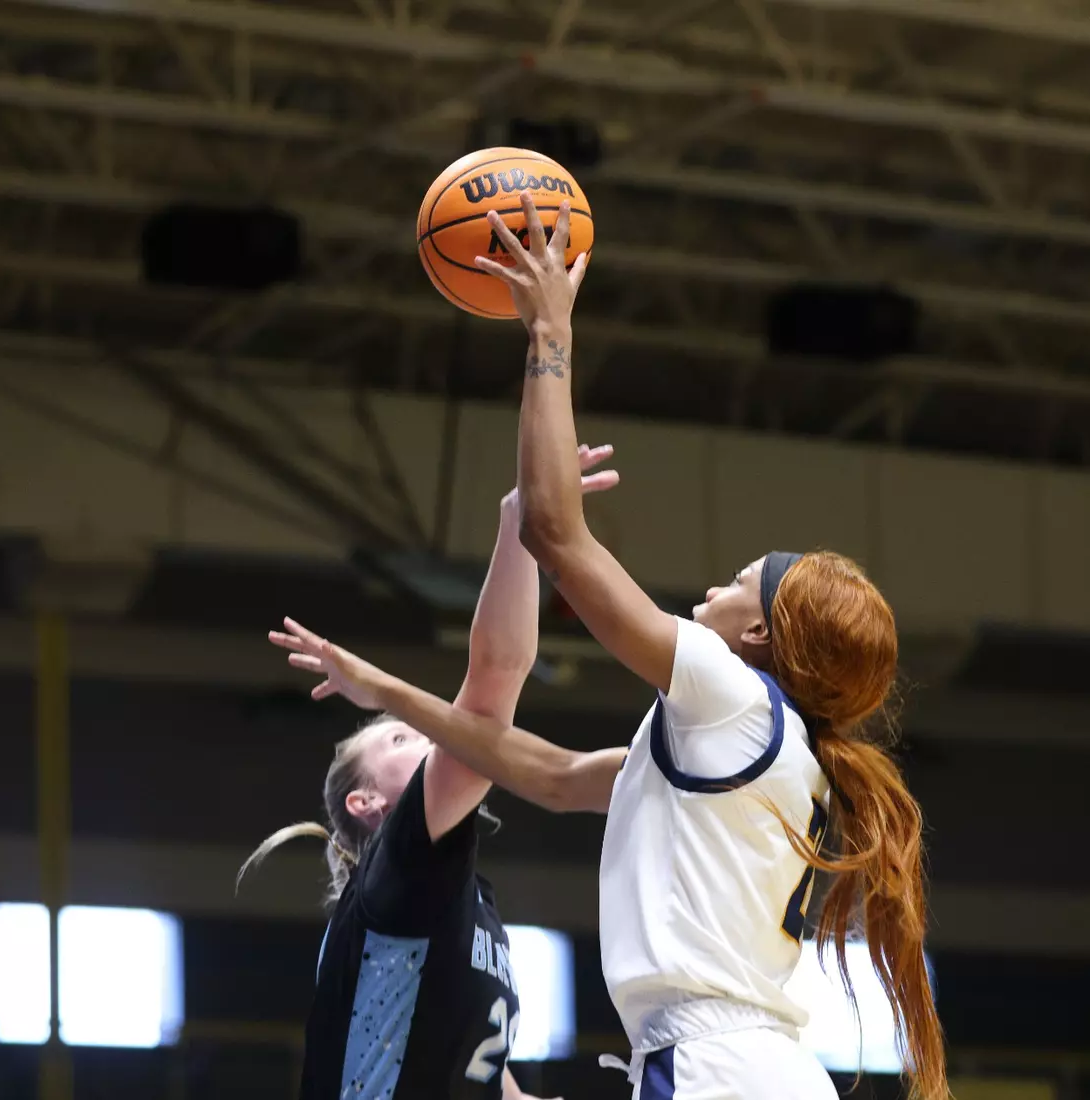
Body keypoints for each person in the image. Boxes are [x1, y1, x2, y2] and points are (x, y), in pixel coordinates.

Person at [269, 193, 948, 1100]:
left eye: (738, 582)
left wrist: (548, 332)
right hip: (760, 1069)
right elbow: (544, 773)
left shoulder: (730, 696)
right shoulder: (776, 754)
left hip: (714, 1069)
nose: (712, 587)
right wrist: (383, 688)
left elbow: (558, 532)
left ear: (759, 634)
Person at [240, 446, 619, 1100]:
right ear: (366, 802)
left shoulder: (465, 898)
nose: (425, 732)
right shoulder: (399, 867)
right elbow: (493, 686)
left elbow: (487, 1080)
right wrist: (520, 529)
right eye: (399, 735)